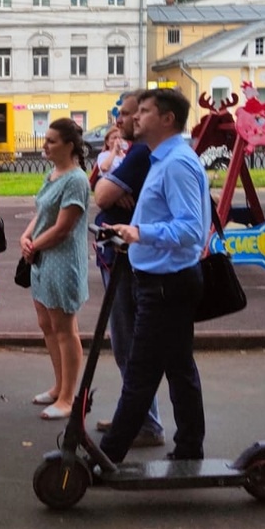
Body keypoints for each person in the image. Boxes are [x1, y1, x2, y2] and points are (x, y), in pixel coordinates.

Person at [99, 88, 211, 467]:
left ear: (166, 119)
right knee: (179, 369)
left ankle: (107, 456)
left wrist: (139, 234)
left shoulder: (177, 163)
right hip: (162, 280)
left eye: (144, 111)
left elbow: (191, 229)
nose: (134, 118)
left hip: (166, 285)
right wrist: (126, 234)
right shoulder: (162, 159)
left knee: (140, 373)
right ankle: (190, 448)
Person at [92, 91, 165, 446]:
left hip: (126, 260)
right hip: (120, 257)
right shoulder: (131, 153)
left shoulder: (138, 154)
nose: (121, 121)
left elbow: (102, 196)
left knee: (128, 342)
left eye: (130, 114)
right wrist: (107, 184)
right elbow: (98, 185)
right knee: (128, 342)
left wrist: (110, 186)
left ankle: (145, 422)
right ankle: (135, 416)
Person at [20, 118, 91, 420]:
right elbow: (43, 213)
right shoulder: (53, 174)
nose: (45, 145)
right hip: (42, 259)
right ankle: (58, 386)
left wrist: (33, 245)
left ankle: (68, 398)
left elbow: (63, 228)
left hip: (62, 261)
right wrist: (26, 236)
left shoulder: (76, 179)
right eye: (45, 139)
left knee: (65, 330)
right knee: (47, 324)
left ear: (69, 145)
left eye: (51, 140)